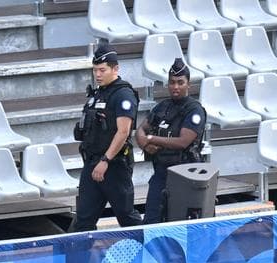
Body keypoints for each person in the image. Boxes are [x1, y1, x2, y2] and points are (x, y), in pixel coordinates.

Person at [70, 43, 142, 232]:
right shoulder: (97, 95)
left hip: (114, 165)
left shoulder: (123, 94)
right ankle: (80, 261)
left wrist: (105, 160)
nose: (98, 75)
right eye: (95, 70)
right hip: (92, 162)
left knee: (126, 216)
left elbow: (123, 132)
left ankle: (150, 256)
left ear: (115, 69)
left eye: (102, 70)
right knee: (83, 220)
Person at [135, 58, 207, 224]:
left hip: (185, 175)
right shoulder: (162, 106)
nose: (175, 87)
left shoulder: (194, 110)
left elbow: (183, 141)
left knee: (179, 223)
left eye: (180, 83)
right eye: (172, 82)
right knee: (151, 222)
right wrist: (144, 143)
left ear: (188, 85)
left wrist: (152, 139)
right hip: (161, 173)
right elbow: (140, 130)